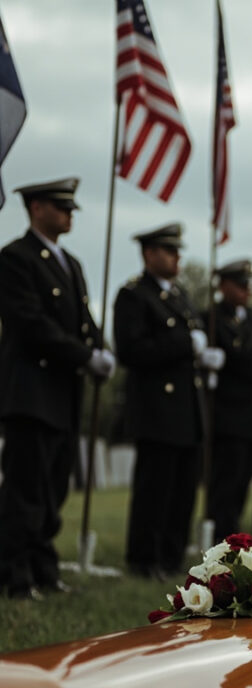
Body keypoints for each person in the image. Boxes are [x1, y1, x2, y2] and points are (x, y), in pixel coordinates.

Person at [0, 177, 115, 600]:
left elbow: (83, 321)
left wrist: (99, 347)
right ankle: (14, 574)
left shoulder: (72, 264)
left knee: (53, 487)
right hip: (30, 391)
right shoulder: (16, 257)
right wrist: (84, 357)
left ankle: (44, 569)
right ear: (35, 208)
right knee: (25, 487)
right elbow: (30, 323)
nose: (69, 215)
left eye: (70, 208)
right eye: (60, 207)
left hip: (63, 393)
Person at [113, 223, 225, 579]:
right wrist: (184, 345)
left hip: (186, 410)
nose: (177, 257)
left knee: (182, 490)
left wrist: (202, 357)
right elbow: (131, 350)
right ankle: (144, 559)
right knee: (155, 488)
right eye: (169, 250)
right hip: (157, 410)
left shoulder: (180, 296)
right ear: (149, 254)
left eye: (178, 251)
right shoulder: (134, 295)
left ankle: (172, 558)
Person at [205, 259, 252, 539]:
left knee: (244, 479)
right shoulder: (213, 318)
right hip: (228, 413)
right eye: (240, 284)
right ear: (223, 286)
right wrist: (247, 361)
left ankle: (233, 532)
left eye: (248, 284)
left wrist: (246, 361)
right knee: (225, 480)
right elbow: (243, 361)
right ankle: (220, 532)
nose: (246, 290)